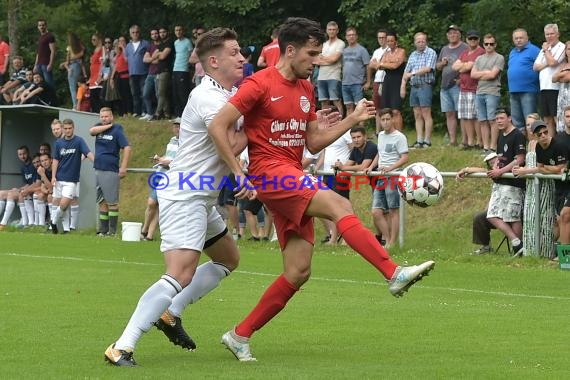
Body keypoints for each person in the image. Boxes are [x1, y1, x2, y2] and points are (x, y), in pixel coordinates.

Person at [208, 17, 435, 362]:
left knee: (298, 272)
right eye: (311, 54)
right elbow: (218, 126)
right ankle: (393, 272)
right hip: (271, 175)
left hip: (291, 172)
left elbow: (312, 142)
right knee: (339, 206)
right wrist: (239, 173)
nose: (316, 61)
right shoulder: (258, 84)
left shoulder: (306, 88)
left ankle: (239, 334)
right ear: (290, 50)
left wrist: (351, 120)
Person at [104, 28, 248, 367]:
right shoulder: (208, 97)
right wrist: (259, 128)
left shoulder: (226, 94)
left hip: (200, 194)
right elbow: (229, 143)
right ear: (214, 61)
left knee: (228, 259)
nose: (242, 58)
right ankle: (121, 347)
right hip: (186, 194)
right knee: (181, 273)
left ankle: (171, 312)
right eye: (235, 52)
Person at [514, 120, 564, 258]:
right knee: (557, 220)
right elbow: (541, 167)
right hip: (553, 186)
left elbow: (560, 169)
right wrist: (530, 170)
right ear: (534, 135)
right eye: (540, 134)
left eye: (545, 132)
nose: (543, 135)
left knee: (561, 219)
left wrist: (532, 170)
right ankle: (550, 250)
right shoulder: (537, 148)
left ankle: (561, 253)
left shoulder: (558, 144)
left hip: (561, 185)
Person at [487, 107, 526, 256]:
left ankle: (519, 249)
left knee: (513, 216)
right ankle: (517, 243)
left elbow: (520, 159)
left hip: (514, 183)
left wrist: (501, 171)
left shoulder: (518, 135)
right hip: (500, 182)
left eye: (501, 118)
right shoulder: (500, 136)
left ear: (509, 118)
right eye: (497, 119)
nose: (499, 121)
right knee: (491, 215)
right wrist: (495, 168)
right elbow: (500, 157)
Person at [368, 108, 408, 248]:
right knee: (376, 211)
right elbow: (380, 154)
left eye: (387, 119)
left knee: (393, 210)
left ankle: (391, 242)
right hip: (381, 176)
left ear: (392, 119)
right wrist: (371, 166)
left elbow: (405, 158)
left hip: (393, 176)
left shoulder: (399, 137)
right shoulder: (381, 136)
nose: (385, 122)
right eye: (382, 120)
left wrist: (390, 169)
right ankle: (387, 238)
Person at [89, 107, 131, 236]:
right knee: (101, 201)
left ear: (112, 117)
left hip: (110, 169)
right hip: (98, 168)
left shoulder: (117, 129)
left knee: (112, 202)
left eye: (106, 116)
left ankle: (112, 232)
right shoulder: (99, 127)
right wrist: (106, 126)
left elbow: (127, 148)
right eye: (102, 117)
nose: (104, 119)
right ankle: (103, 231)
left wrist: (123, 167)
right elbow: (91, 131)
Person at [49, 119, 94, 234]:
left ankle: (53, 221)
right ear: (63, 129)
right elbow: (55, 160)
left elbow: (88, 153)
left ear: (73, 128)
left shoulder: (79, 141)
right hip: (59, 178)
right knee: (56, 202)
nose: (68, 131)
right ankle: (66, 229)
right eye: (66, 128)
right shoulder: (59, 143)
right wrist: (53, 176)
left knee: (64, 204)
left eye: (70, 128)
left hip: (71, 180)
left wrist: (96, 162)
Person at [141, 118, 181, 241]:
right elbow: (169, 156)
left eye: (179, 126)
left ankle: (148, 234)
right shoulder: (172, 140)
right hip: (161, 173)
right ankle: (145, 230)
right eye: (175, 126)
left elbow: (181, 161)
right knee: (152, 203)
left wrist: (166, 161)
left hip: (172, 177)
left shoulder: (187, 143)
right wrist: (160, 158)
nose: (177, 129)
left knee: (157, 204)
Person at [401, 32, 437, 148]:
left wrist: (412, 74)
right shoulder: (413, 55)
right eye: (418, 41)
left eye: (423, 41)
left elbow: (427, 69)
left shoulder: (431, 52)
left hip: (425, 85)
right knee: (417, 114)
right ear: (415, 42)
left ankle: (427, 140)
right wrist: (402, 86)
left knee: (426, 113)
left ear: (426, 42)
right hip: (414, 87)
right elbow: (406, 72)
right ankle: (419, 140)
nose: (421, 43)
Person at [471, 33, 504, 153]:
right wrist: (486, 72)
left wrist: (483, 73)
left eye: (491, 44)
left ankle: (493, 146)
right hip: (479, 91)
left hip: (493, 91)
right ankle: (485, 147)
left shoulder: (499, 57)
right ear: (483, 45)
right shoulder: (479, 58)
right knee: (482, 120)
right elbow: (472, 75)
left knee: (492, 120)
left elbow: (493, 75)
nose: (489, 46)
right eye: (486, 44)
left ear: (495, 45)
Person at [452, 30, 485, 149]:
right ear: (466, 40)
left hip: (475, 88)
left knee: (476, 117)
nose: (473, 41)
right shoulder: (464, 52)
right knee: (465, 116)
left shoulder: (481, 52)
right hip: (463, 88)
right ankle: (470, 142)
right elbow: (455, 67)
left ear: (479, 40)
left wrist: (464, 65)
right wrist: (465, 66)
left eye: (475, 39)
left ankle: (479, 142)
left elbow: (469, 66)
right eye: (470, 39)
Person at [436, 25, 468, 146]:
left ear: (459, 34)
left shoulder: (465, 47)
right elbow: (437, 67)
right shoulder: (444, 49)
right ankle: (453, 140)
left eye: (455, 33)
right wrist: (442, 63)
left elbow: (471, 62)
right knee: (449, 113)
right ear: (447, 35)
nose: (452, 35)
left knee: (462, 114)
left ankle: (465, 141)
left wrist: (461, 78)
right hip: (444, 86)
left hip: (458, 84)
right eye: (450, 33)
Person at [533, 24, 565, 136]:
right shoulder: (545, 49)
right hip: (544, 87)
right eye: (547, 34)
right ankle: (551, 143)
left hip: (555, 88)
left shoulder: (561, 47)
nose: (549, 36)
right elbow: (535, 67)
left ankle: (562, 142)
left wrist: (546, 51)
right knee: (547, 119)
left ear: (558, 34)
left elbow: (553, 63)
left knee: (557, 118)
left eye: (552, 34)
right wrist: (548, 61)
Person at [507, 28, 540, 134]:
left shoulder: (534, 50)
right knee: (517, 121)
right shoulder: (512, 52)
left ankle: (533, 146)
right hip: (513, 90)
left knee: (530, 120)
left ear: (527, 38)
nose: (518, 40)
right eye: (516, 38)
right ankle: (520, 145)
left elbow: (542, 68)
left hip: (529, 90)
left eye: (521, 38)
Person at [315, 21, 345, 115]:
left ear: (337, 31)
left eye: (334, 29)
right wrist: (328, 60)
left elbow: (334, 59)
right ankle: (326, 124)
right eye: (330, 29)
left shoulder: (340, 43)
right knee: (324, 102)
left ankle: (340, 123)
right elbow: (316, 60)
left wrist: (323, 59)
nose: (332, 31)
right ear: (327, 31)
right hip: (321, 77)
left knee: (336, 101)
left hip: (334, 76)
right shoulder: (324, 44)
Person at [379, 31, 406, 131]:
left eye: (392, 40)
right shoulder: (386, 52)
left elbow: (395, 66)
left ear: (396, 41)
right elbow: (377, 65)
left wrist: (385, 63)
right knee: (386, 110)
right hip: (387, 81)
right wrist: (386, 63)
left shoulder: (401, 51)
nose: (390, 42)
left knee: (396, 110)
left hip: (397, 81)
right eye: (388, 41)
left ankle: (399, 135)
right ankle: (389, 133)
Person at [341, 27, 370, 117]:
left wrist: (368, 82)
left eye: (353, 35)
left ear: (356, 36)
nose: (351, 37)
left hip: (357, 83)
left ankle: (361, 130)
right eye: (349, 35)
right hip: (345, 83)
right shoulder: (344, 51)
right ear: (346, 37)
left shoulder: (362, 50)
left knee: (360, 107)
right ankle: (349, 130)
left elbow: (368, 66)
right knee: (349, 107)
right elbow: (343, 66)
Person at [366, 29, 388, 133]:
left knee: (386, 107)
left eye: (383, 37)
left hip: (386, 81)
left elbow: (380, 64)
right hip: (377, 80)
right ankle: (378, 131)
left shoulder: (390, 50)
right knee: (377, 108)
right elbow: (371, 65)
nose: (381, 40)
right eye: (379, 38)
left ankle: (386, 129)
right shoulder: (377, 51)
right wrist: (378, 64)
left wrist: (378, 64)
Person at [125, 24, 150, 118]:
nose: (135, 34)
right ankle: (137, 111)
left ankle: (144, 111)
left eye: (137, 32)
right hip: (132, 72)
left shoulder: (145, 43)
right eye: (133, 32)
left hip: (143, 72)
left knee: (144, 93)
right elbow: (127, 59)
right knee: (134, 93)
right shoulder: (128, 46)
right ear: (130, 34)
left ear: (140, 33)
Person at [60, 32, 85, 109]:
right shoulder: (80, 46)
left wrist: (68, 62)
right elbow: (82, 54)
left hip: (72, 66)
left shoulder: (70, 47)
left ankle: (75, 104)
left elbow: (68, 60)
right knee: (78, 85)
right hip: (78, 66)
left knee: (72, 87)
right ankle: (80, 104)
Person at [172, 25, 193, 117]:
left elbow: (191, 55)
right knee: (175, 93)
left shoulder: (187, 41)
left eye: (180, 30)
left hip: (183, 70)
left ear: (183, 31)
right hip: (175, 69)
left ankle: (186, 115)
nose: (178, 32)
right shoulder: (175, 42)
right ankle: (178, 115)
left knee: (183, 93)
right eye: (176, 30)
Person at [552, 41, 570, 130]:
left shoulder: (563, 68)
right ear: (565, 51)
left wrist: (562, 76)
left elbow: (567, 78)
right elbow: (554, 79)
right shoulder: (563, 65)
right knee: (562, 117)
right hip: (562, 96)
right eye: (568, 49)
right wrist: (564, 74)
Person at [33, 19, 56, 89]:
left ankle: (52, 99)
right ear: (38, 27)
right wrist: (35, 65)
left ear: (46, 26)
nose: (41, 27)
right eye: (40, 25)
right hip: (39, 64)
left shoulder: (50, 36)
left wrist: (51, 64)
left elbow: (53, 51)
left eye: (43, 25)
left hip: (46, 64)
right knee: (40, 85)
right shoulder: (40, 37)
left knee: (49, 83)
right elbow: (38, 53)